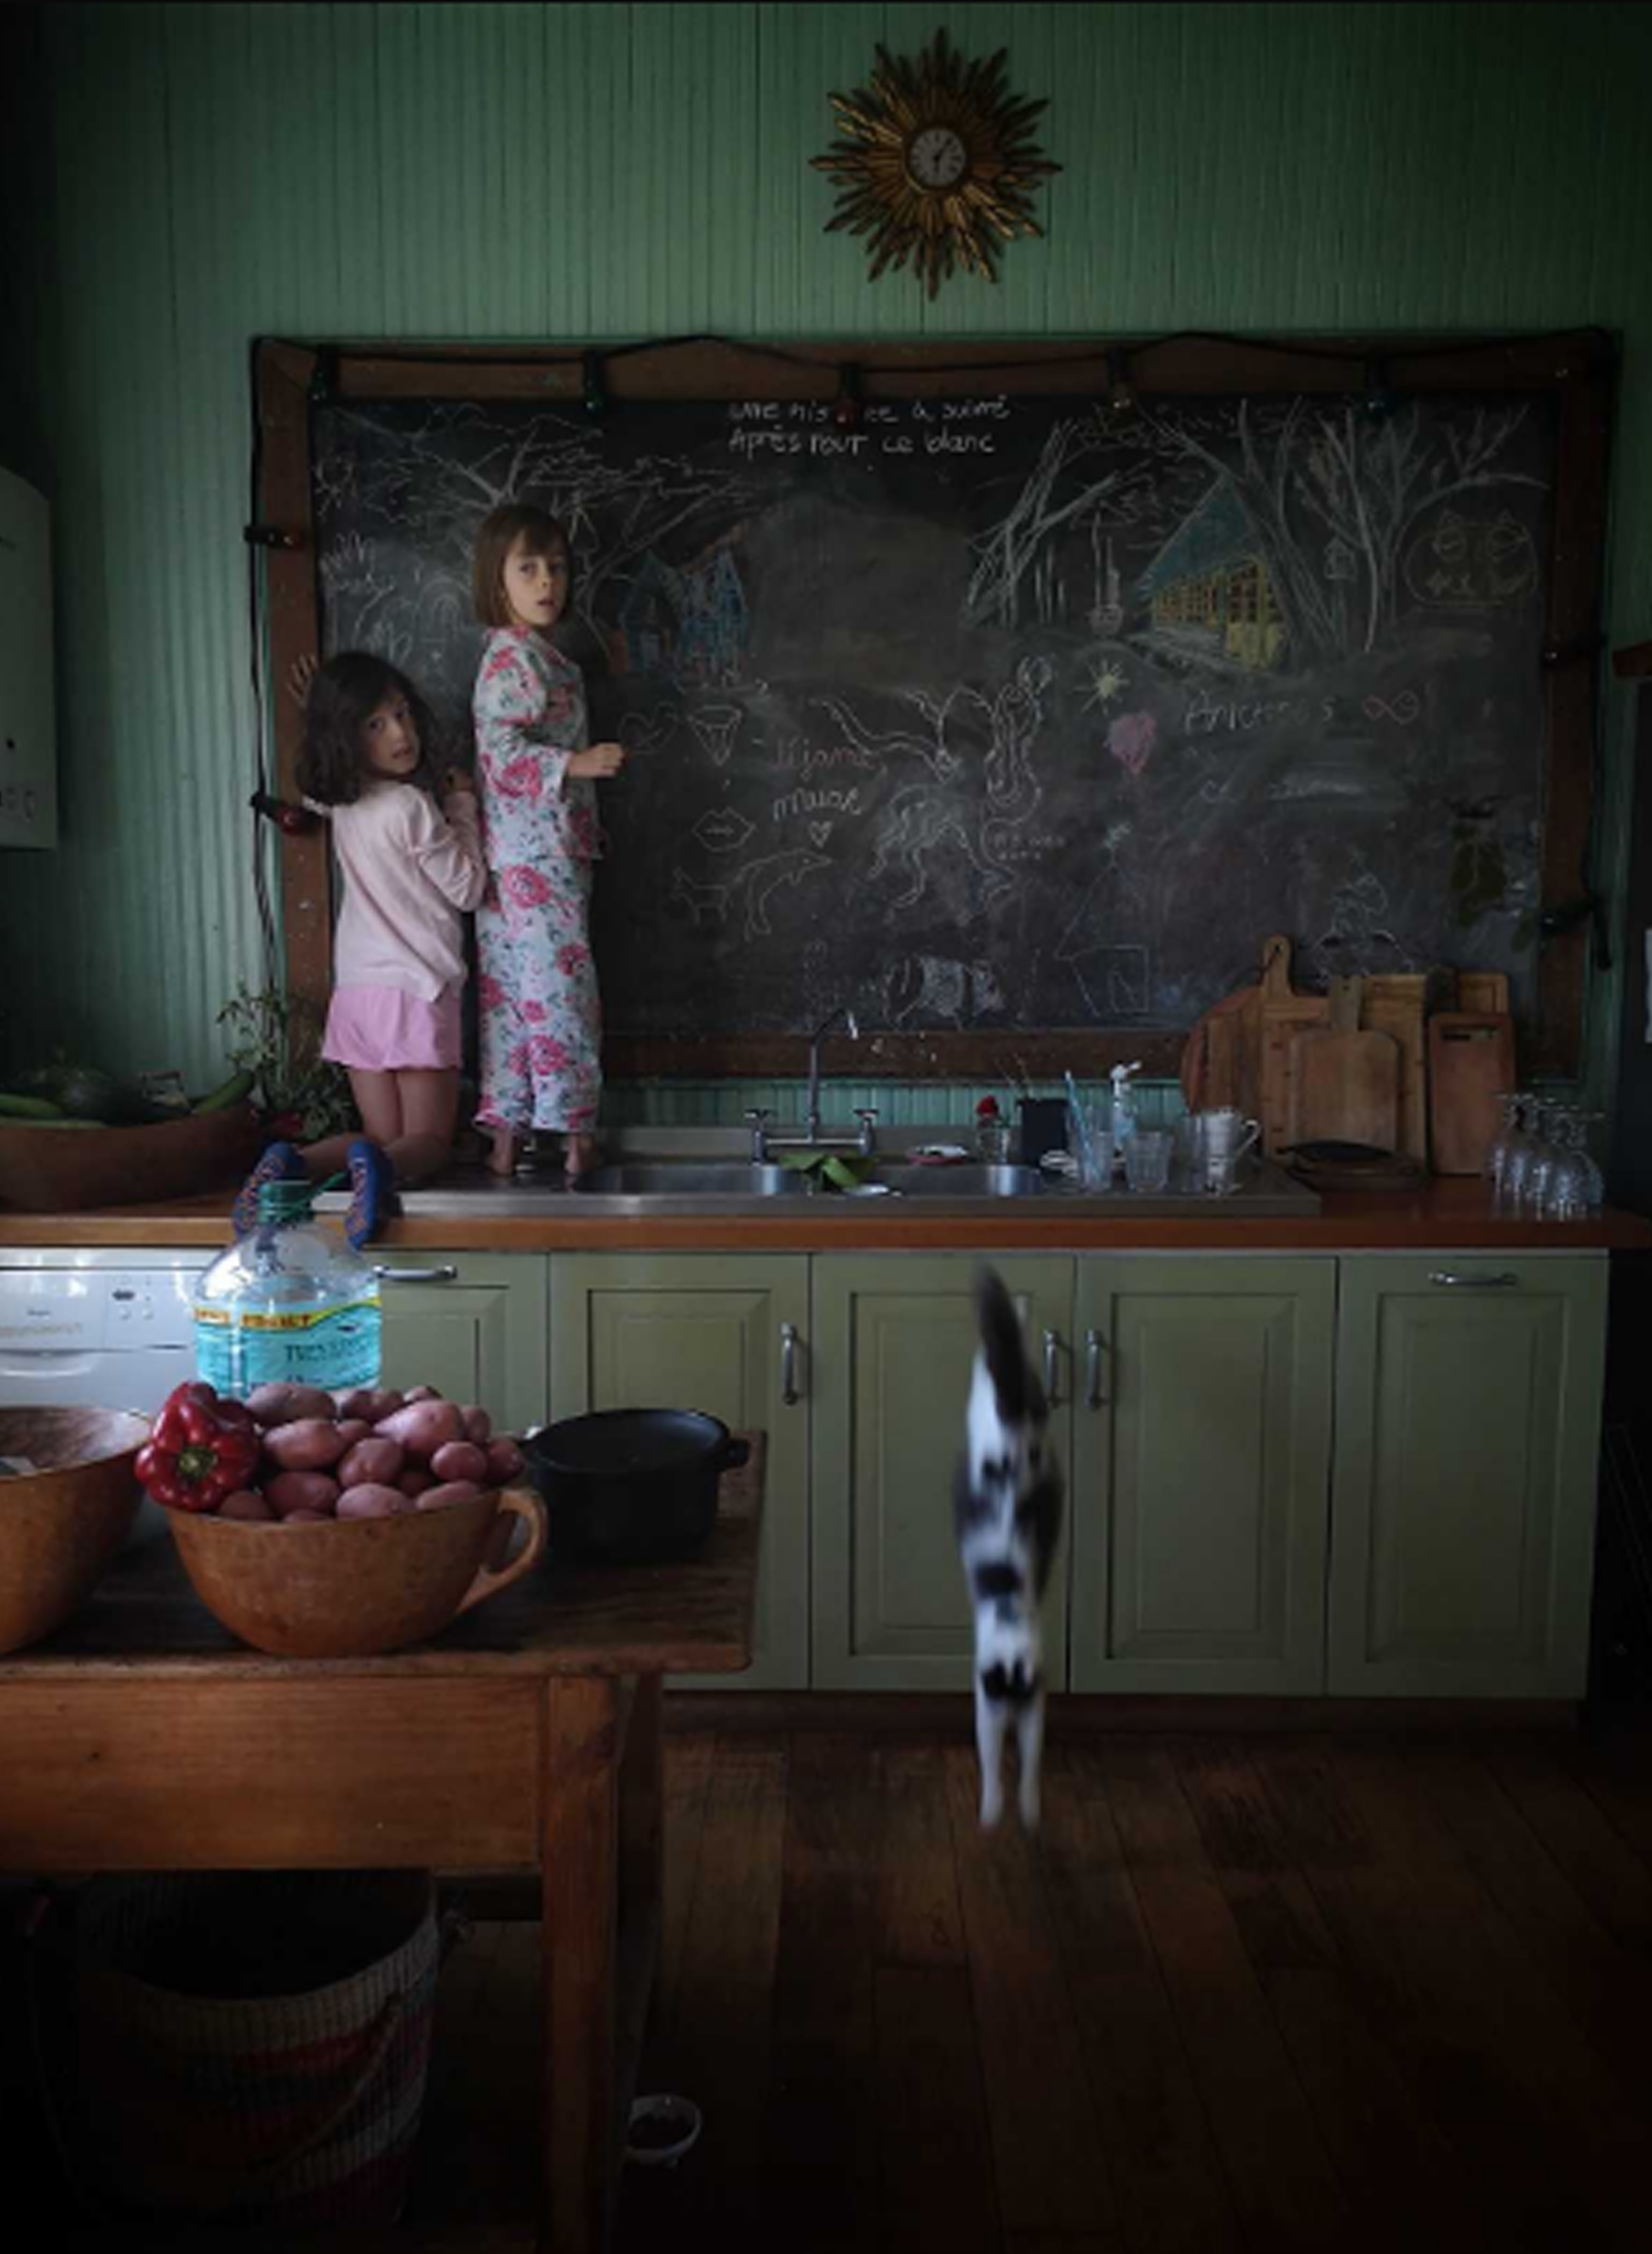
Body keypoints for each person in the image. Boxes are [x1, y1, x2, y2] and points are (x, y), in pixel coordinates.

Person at [233, 652, 487, 1247]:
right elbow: (470, 889)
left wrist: (319, 710)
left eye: (401, 714)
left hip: (358, 995)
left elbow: (318, 780)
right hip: (417, 991)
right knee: (427, 1143)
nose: (400, 733)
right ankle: (372, 1177)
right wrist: (462, 807)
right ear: (348, 737)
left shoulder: (342, 801)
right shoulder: (411, 806)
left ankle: (296, 1162)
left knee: (378, 1139)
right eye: (375, 724)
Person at [470, 502, 627, 1181]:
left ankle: (506, 1135)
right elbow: (501, 753)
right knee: (561, 990)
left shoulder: (535, 656)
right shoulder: (515, 659)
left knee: (512, 995)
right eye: (528, 568)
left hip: (518, 853)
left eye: (556, 568)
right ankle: (575, 1133)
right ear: (497, 578)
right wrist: (576, 763)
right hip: (538, 855)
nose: (546, 583)